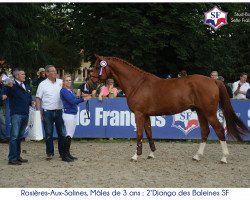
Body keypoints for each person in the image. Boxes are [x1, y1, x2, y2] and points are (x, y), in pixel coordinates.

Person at [35, 65, 65, 160]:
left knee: (61, 133)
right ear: (47, 73)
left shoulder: (61, 82)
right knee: (48, 134)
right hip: (47, 112)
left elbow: (68, 92)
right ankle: (50, 153)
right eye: (52, 71)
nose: (55, 72)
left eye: (55, 71)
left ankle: (62, 152)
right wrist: (38, 112)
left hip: (59, 111)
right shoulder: (42, 84)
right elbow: (38, 99)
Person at [60, 75, 91, 162]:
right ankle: (64, 155)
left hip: (73, 113)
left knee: (70, 135)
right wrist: (84, 99)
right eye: (66, 80)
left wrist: (81, 97)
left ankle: (67, 154)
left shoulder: (70, 91)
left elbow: (75, 100)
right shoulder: (64, 91)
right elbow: (72, 101)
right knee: (68, 134)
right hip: (68, 114)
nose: (68, 81)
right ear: (63, 82)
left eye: (70, 80)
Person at [6, 69, 32, 165]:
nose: (24, 75)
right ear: (17, 76)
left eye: (24, 73)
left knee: (20, 136)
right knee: (14, 136)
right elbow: (7, 92)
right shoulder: (12, 86)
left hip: (25, 113)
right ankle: (12, 158)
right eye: (22, 74)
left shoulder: (27, 86)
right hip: (16, 114)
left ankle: (17, 156)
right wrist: (8, 86)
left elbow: (29, 98)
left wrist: (31, 102)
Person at [0, 72, 8, 143]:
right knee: (2, 122)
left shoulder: (3, 85)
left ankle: (3, 138)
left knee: (2, 122)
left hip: (0, 106)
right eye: (2, 77)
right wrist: (1, 97)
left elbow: (7, 93)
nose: (3, 78)